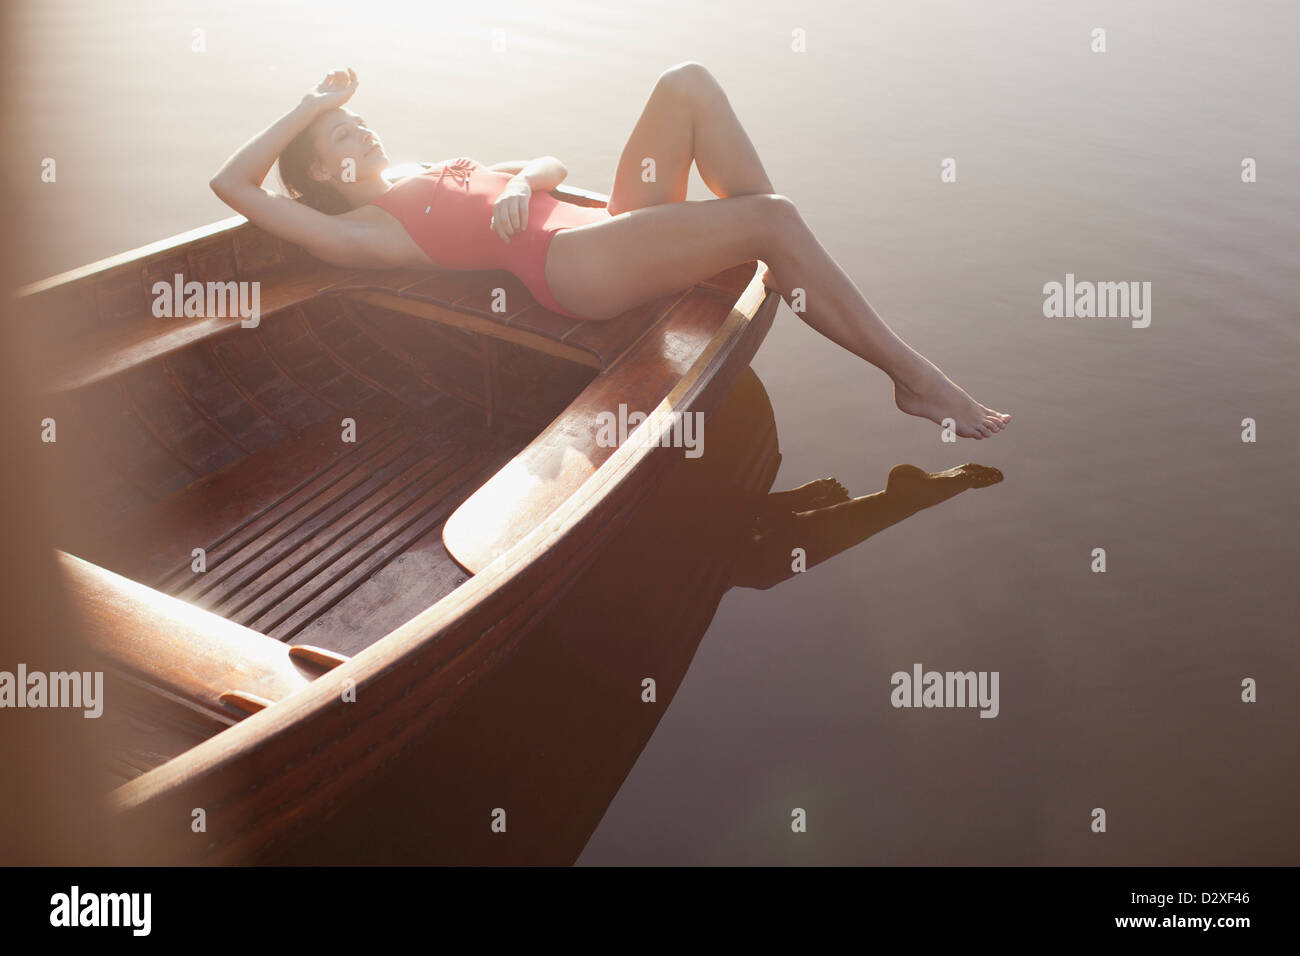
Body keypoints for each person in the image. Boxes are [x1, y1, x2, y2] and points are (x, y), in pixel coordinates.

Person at [210, 63, 1011, 439]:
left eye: (360, 120)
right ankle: (914, 380)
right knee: (775, 218)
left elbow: (551, 166)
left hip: (598, 227)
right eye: (346, 134)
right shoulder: (365, 231)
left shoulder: (420, 169)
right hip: (578, 270)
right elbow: (233, 185)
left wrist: (524, 178)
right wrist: (309, 105)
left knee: (687, 84)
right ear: (321, 171)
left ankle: (766, 240)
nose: (366, 129)